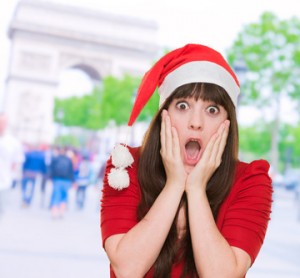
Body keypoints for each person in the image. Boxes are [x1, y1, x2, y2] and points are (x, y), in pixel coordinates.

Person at [100, 44, 273, 277]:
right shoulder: (126, 166)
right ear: (164, 115)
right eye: (183, 106)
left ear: (227, 123)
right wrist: (174, 184)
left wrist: (196, 189)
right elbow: (128, 269)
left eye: (212, 110)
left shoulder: (251, 181)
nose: (196, 122)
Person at [0, 113, 24, 219]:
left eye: (3, 122)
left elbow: (17, 161)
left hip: (3, 182)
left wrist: (12, 174)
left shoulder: (12, 142)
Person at [49, 146, 74, 219]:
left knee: (56, 196)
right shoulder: (69, 160)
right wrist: (73, 181)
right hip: (67, 181)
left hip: (57, 180)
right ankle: (61, 212)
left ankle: (54, 213)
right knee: (64, 196)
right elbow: (71, 171)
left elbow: (51, 170)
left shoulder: (55, 159)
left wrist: (51, 178)